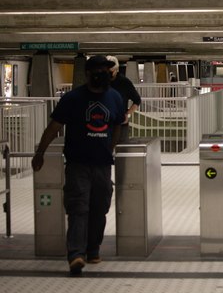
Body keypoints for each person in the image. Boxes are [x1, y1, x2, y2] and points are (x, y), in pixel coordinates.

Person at [31, 55, 125, 276]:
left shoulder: (115, 98)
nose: (102, 74)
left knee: (99, 208)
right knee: (78, 208)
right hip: (77, 164)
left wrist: (111, 149)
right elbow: (53, 127)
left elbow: (117, 125)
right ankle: (75, 254)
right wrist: (40, 153)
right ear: (87, 73)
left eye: (106, 70)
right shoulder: (73, 98)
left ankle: (93, 249)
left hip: (102, 164)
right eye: (98, 70)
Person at [106, 56, 142, 143]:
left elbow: (137, 100)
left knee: (121, 149)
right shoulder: (101, 81)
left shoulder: (124, 82)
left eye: (111, 72)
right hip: (103, 122)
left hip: (120, 123)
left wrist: (128, 114)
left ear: (116, 69)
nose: (108, 74)